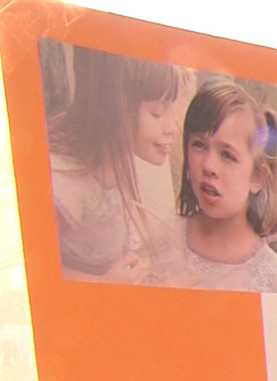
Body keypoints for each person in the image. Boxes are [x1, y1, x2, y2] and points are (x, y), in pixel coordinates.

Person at [46, 45, 181, 284]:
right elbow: (39, 271)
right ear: (116, 108)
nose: (172, 128)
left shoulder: (118, 155)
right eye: (157, 114)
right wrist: (105, 284)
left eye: (171, 111)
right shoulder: (67, 183)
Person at [163, 79, 277, 294]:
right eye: (199, 145)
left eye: (227, 155)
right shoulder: (159, 238)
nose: (208, 166)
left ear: (257, 177)